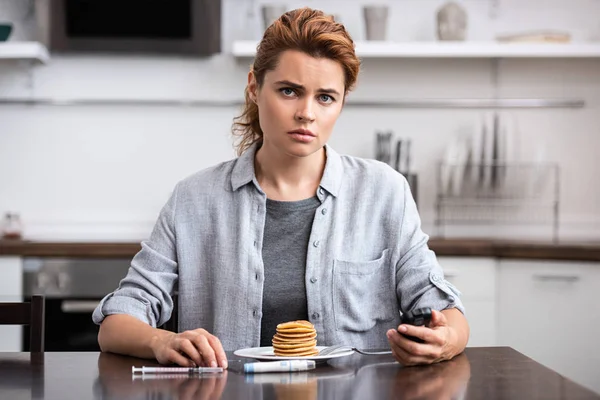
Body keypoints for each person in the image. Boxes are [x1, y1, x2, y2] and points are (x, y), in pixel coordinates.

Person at [93, 7, 469, 370]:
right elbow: (117, 322)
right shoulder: (193, 200)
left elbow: (446, 312)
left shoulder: (385, 192)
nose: (307, 112)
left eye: (325, 97)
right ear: (255, 88)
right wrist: (163, 340)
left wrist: (447, 340)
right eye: (289, 91)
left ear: (341, 103)